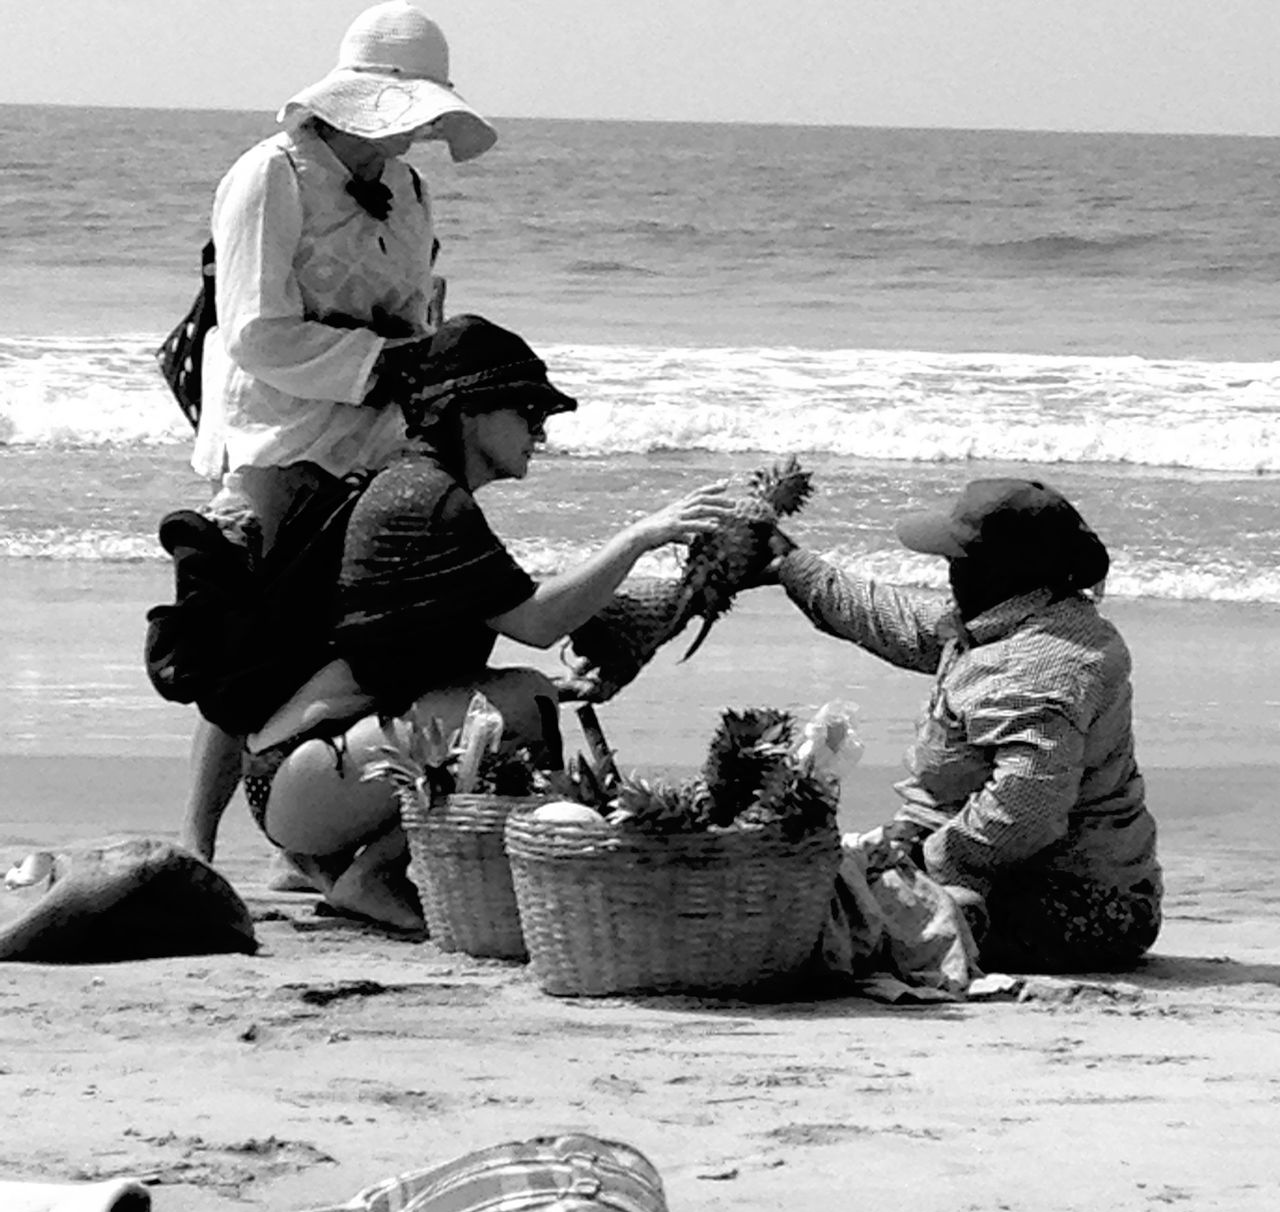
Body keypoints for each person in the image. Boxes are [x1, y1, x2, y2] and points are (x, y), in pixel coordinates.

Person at [240, 314, 738, 930]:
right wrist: (641, 537)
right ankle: (372, 876)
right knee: (522, 699)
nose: (542, 435)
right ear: (470, 411)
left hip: (300, 767)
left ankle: (368, 868)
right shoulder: (431, 501)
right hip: (305, 774)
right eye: (529, 413)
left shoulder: (416, 486)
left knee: (525, 702)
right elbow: (535, 622)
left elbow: (422, 664)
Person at [177, 1, 497, 862]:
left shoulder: (406, 189)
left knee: (341, 633)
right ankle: (196, 845)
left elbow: (405, 312)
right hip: (272, 435)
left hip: (369, 433)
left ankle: (307, 847)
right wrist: (379, 361)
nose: (412, 136)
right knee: (242, 641)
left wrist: (424, 367)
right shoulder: (268, 175)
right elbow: (253, 330)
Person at [765, 477, 1162, 973]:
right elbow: (893, 620)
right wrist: (791, 564)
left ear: (995, 571)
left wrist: (931, 863)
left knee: (829, 924)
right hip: (1000, 869)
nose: (947, 571)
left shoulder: (1043, 663)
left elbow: (1027, 807)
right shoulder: (1007, 620)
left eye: (956, 560)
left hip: (1073, 903)